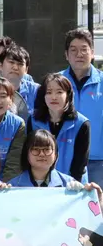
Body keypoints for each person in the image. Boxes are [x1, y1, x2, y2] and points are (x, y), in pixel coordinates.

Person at [60, 29, 103, 186]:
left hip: (98, 161)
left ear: (92, 53)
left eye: (84, 49)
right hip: (64, 158)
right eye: (73, 50)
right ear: (66, 55)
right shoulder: (56, 82)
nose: (79, 54)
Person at [29, 73, 90, 182]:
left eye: (59, 92)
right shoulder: (33, 121)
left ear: (68, 95)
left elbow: (80, 163)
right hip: (40, 182)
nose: (54, 97)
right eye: (49, 92)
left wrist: (73, 184)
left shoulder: (81, 123)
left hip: (73, 183)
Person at [9, 129, 102, 198]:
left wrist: (94, 197)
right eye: (35, 149)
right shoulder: (13, 186)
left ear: (56, 155)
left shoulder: (70, 184)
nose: (41, 154)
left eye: (47, 149)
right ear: (26, 154)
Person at [0, 44, 37, 118]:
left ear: (26, 69)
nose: (15, 67)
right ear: (1, 65)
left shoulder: (37, 91)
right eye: (11, 62)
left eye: (20, 64)